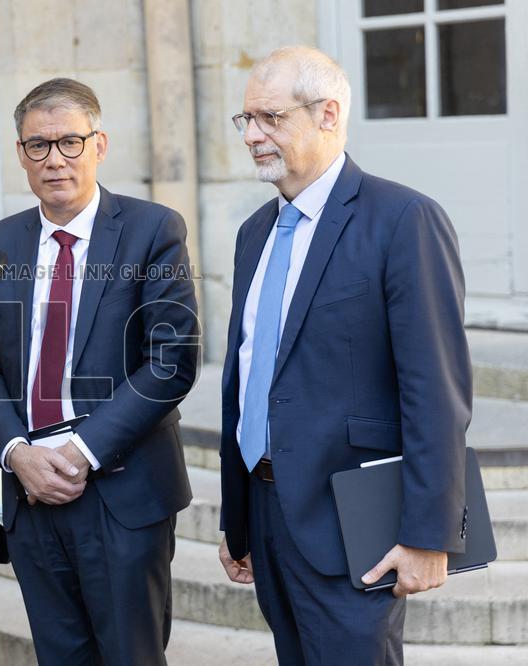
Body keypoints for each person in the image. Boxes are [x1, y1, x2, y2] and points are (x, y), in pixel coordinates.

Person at [217, 46, 472, 665]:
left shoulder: (404, 219)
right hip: (267, 512)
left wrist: (430, 533)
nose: (251, 136)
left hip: (354, 522)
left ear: (328, 114)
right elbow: (248, 376)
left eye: (271, 117)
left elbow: (435, 391)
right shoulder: (254, 233)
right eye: (246, 119)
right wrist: (238, 517)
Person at [0, 78, 198, 665]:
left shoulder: (153, 230)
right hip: (29, 492)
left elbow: (171, 362)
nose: (55, 159)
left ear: (99, 144)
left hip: (119, 490)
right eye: (38, 145)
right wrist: (15, 452)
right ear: (21, 154)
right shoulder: (1, 240)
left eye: (70, 142)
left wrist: (79, 452)